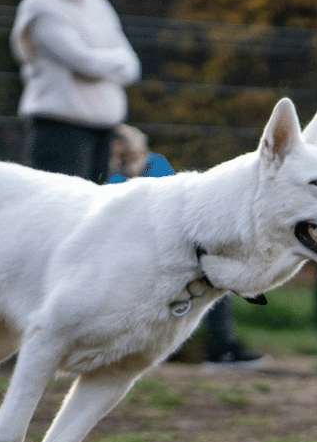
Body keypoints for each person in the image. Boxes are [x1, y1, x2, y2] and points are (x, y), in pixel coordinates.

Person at [108, 125, 263, 369]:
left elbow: (170, 197)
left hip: (169, 244)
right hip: (131, 249)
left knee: (211, 277)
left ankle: (221, 348)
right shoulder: (108, 171)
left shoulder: (155, 163)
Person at [11, 0, 140, 183]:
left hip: (104, 131)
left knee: (93, 217)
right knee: (59, 217)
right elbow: (84, 61)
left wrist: (99, 65)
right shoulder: (39, 6)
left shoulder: (99, 5)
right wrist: (108, 63)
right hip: (60, 133)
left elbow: (132, 68)